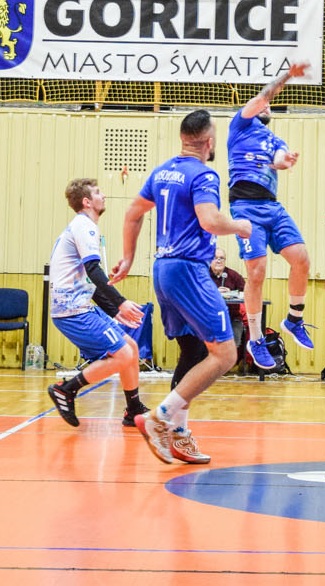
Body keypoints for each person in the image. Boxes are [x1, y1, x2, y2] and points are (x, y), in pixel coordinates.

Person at [115, 109, 254, 465]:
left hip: (162, 269)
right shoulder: (204, 174)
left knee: (192, 352)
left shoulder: (162, 172)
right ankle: (160, 418)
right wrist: (240, 227)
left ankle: (178, 434)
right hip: (189, 269)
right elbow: (210, 221)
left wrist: (128, 258)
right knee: (226, 354)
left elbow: (132, 213)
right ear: (209, 141)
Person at [227, 62, 316, 369]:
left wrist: (285, 160)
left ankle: (294, 319)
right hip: (245, 206)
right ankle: (255, 338)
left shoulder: (275, 139)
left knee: (301, 259)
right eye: (263, 104)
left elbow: (278, 159)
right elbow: (263, 96)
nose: (266, 107)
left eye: (268, 107)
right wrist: (288, 76)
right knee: (256, 272)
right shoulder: (240, 125)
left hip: (272, 207)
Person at [45, 178, 150, 429]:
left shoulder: (83, 226)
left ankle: (133, 409)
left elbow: (88, 279)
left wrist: (114, 311)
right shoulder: (85, 226)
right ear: (87, 201)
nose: (103, 196)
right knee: (123, 354)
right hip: (72, 310)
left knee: (131, 347)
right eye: (98, 193)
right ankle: (66, 390)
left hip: (80, 304)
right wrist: (120, 303)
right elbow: (93, 270)